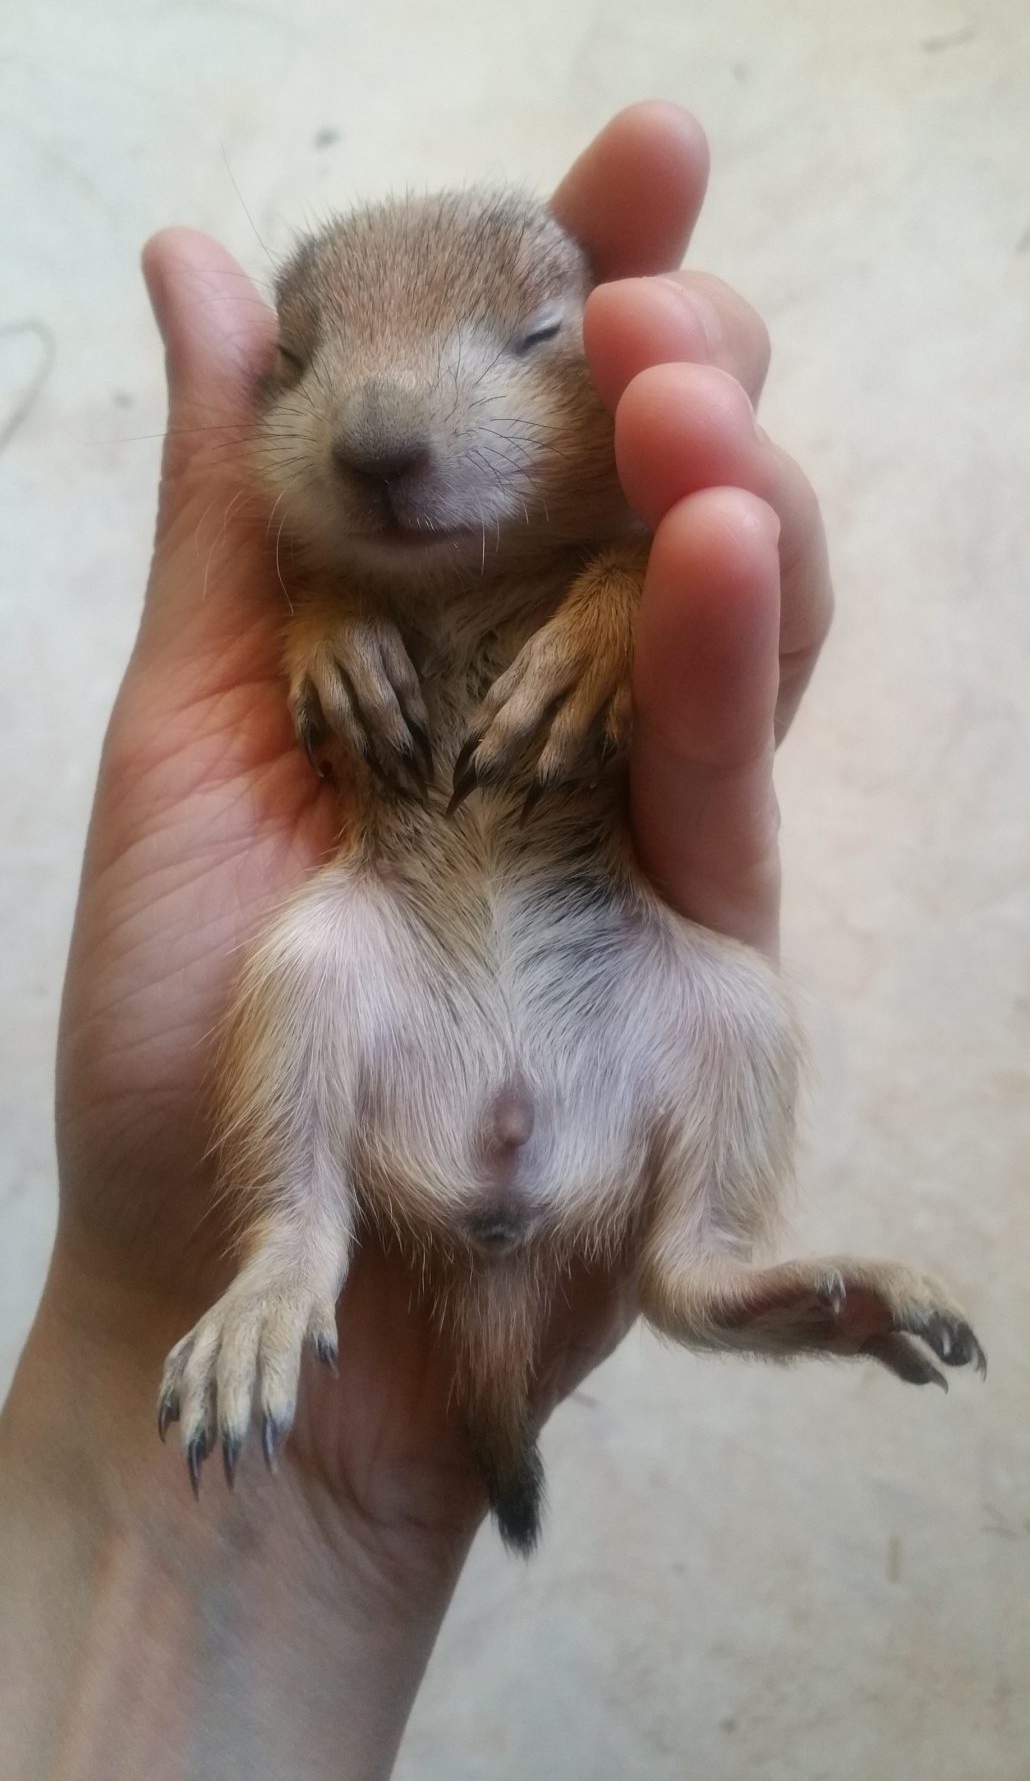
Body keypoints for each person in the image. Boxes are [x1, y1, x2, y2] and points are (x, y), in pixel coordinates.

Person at [0, 103, 831, 1777]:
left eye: (524, 344)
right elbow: (320, 588)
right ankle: (288, 1247)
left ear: (592, 383)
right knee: (312, 950)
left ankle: (697, 1249)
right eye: (305, 367)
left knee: (734, 997)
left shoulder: (619, 563)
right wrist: (317, 616)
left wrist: (620, 605)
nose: (377, 426)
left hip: (602, 971)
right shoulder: (319, 602)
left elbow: (635, 553)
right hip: (389, 970)